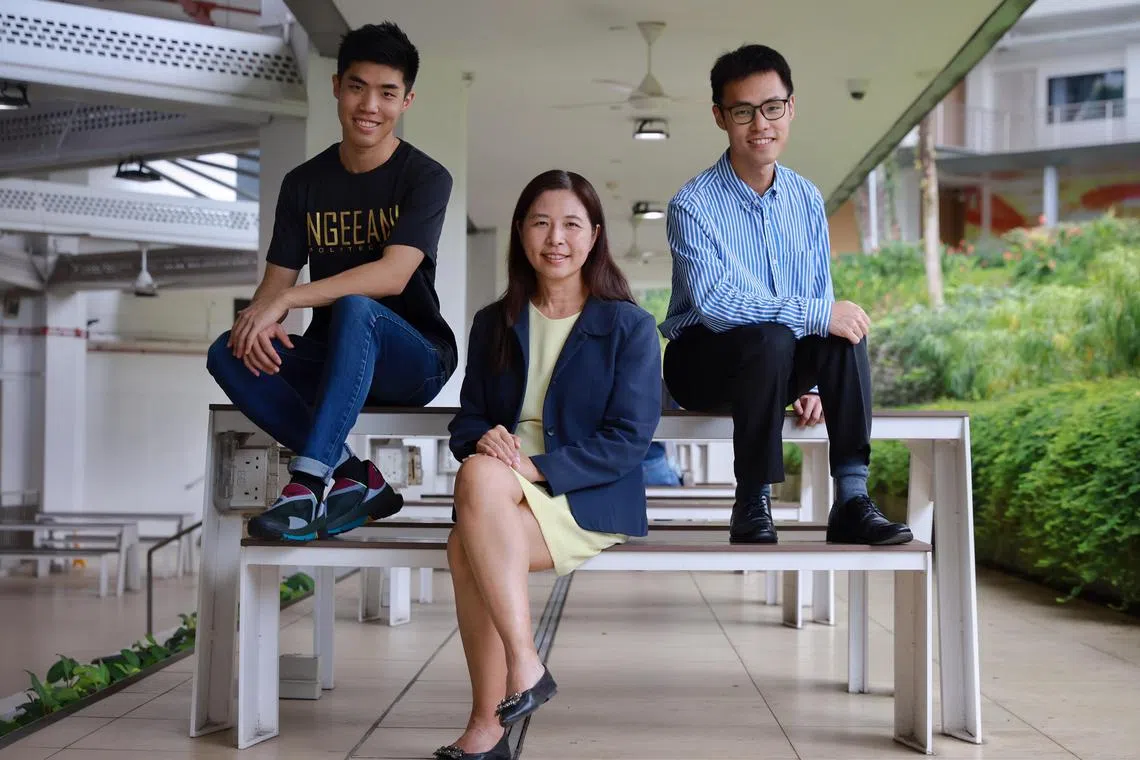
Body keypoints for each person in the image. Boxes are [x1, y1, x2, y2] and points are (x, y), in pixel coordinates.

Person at [440, 170, 662, 759]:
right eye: (541, 223)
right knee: (479, 479)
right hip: (498, 489)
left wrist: (534, 468)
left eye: (570, 224)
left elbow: (629, 440)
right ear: (520, 233)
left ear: (594, 236)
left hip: (588, 492)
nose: (555, 238)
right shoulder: (495, 322)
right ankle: (524, 667)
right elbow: (466, 421)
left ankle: (493, 716)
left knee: (465, 545)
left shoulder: (629, 327)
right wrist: (486, 441)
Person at [206, 22, 456, 541]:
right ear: (337, 86)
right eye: (358, 87)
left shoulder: (426, 178)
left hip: (415, 361)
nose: (370, 105)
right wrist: (257, 325)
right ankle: (354, 475)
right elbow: (272, 289)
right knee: (228, 350)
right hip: (335, 360)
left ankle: (304, 488)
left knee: (356, 306)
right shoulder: (303, 184)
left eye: (387, 93)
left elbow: (393, 274)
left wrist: (288, 300)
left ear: (406, 100)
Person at [659, 44, 912, 546]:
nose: (761, 124)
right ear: (720, 117)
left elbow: (820, 296)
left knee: (846, 328)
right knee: (775, 335)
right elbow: (715, 304)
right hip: (702, 362)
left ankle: (853, 499)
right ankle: (752, 498)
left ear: (790, 108)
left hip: (777, 358)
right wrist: (813, 316)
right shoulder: (692, 205)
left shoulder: (806, 198)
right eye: (743, 112)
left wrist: (814, 382)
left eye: (772, 107)